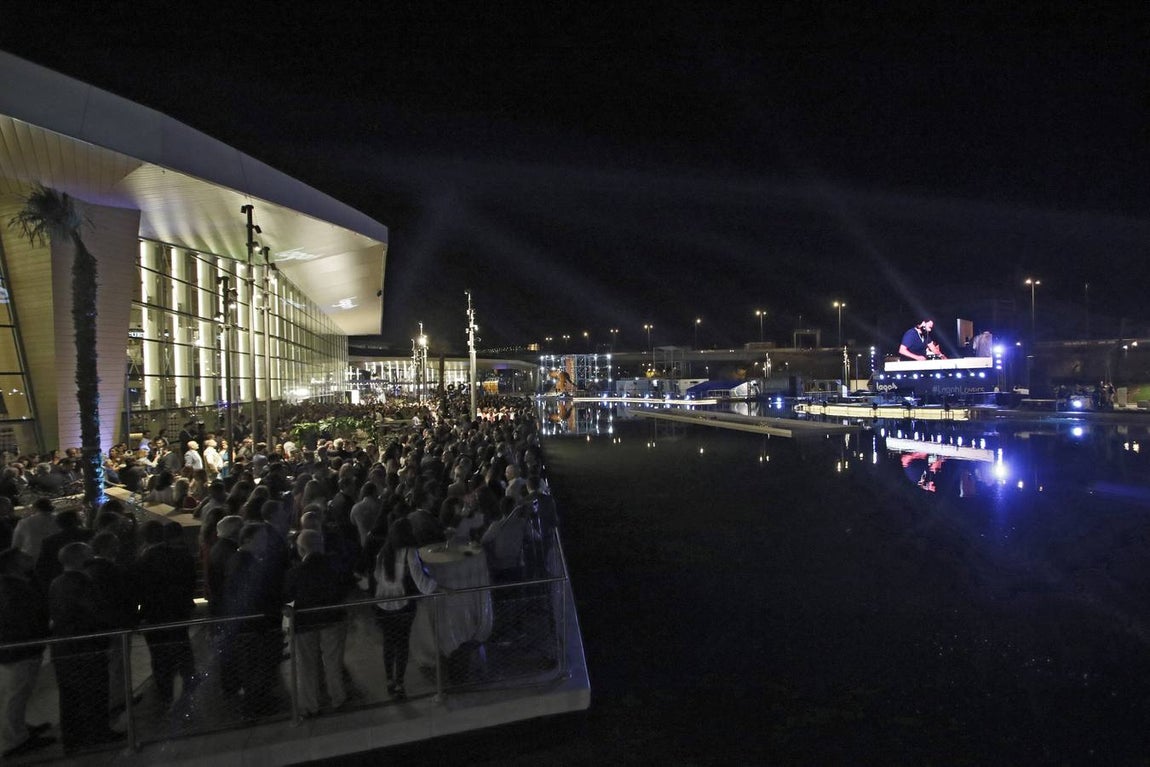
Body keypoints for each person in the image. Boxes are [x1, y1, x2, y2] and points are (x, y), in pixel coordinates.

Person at [283, 529, 348, 716]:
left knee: (306, 665)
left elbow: (287, 600)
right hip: (333, 620)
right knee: (333, 662)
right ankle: (338, 698)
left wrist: (287, 624)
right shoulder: (335, 568)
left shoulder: (294, 573)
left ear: (300, 549)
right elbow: (344, 591)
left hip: (304, 623)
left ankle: (310, 705)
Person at [132, 521, 197, 707]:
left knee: (160, 655)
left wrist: (138, 615)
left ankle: (165, 693)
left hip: (155, 614)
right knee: (182, 646)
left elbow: (140, 590)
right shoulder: (181, 555)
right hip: (179, 610)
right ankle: (189, 680)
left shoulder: (144, 560)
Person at [373, 518, 438, 700]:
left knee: (388, 643)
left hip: (382, 603)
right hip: (403, 605)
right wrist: (437, 587)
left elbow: (377, 576)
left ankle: (389, 680)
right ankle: (399, 682)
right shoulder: (410, 552)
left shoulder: (383, 551)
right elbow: (420, 580)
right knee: (402, 643)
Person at [0, 548, 54, 757]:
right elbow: (24, 619)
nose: (29, 558)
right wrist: (41, 632)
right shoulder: (14, 588)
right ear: (13, 564)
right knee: (17, 693)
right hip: (21, 649)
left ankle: (18, 728)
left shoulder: (12, 585)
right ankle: (13, 739)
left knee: (16, 693)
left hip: (16, 648)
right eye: (23, 557)